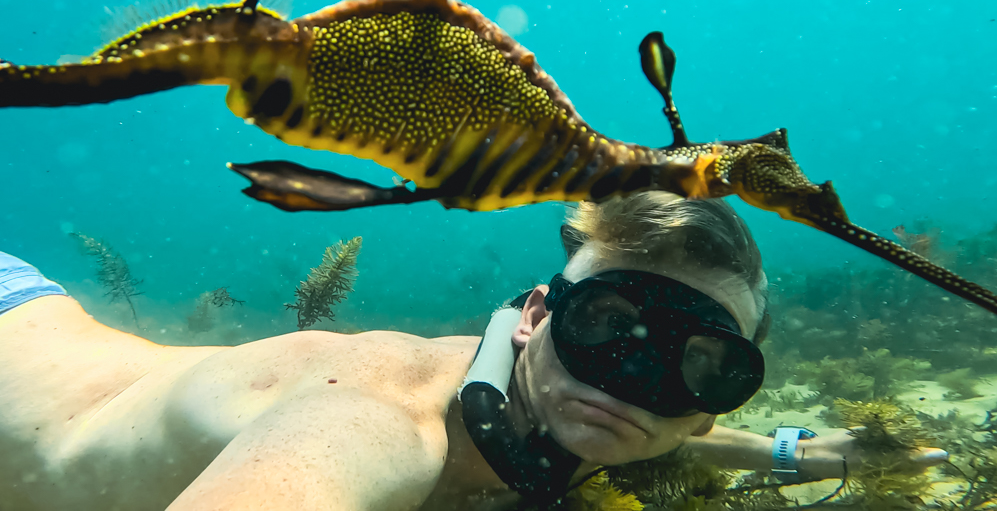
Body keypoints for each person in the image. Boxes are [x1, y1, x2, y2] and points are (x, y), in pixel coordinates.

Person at [0, 193, 947, 510]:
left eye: (700, 366)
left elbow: (641, 428)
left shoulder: (551, 399)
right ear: (537, 316)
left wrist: (786, 450)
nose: (633, 381)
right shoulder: (370, 416)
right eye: (610, 329)